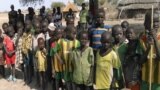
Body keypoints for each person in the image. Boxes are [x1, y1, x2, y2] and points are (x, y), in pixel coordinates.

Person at [141, 11, 160, 90]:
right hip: (145, 79)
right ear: (145, 24)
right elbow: (140, 61)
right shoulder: (142, 39)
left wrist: (155, 40)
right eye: (152, 21)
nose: (155, 24)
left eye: (157, 21)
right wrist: (148, 47)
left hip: (158, 80)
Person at [112, 25, 128, 89]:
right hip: (113, 73)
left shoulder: (125, 45)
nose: (119, 36)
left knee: (122, 87)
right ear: (112, 35)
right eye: (116, 34)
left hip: (123, 72)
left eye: (120, 34)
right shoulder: (111, 46)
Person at [22, 20, 33, 84]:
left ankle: (30, 77)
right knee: (27, 66)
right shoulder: (24, 34)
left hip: (30, 52)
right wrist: (23, 51)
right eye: (25, 25)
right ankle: (28, 78)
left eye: (28, 24)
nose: (26, 26)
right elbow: (23, 43)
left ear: (31, 25)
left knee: (30, 65)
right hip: (25, 53)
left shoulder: (32, 33)